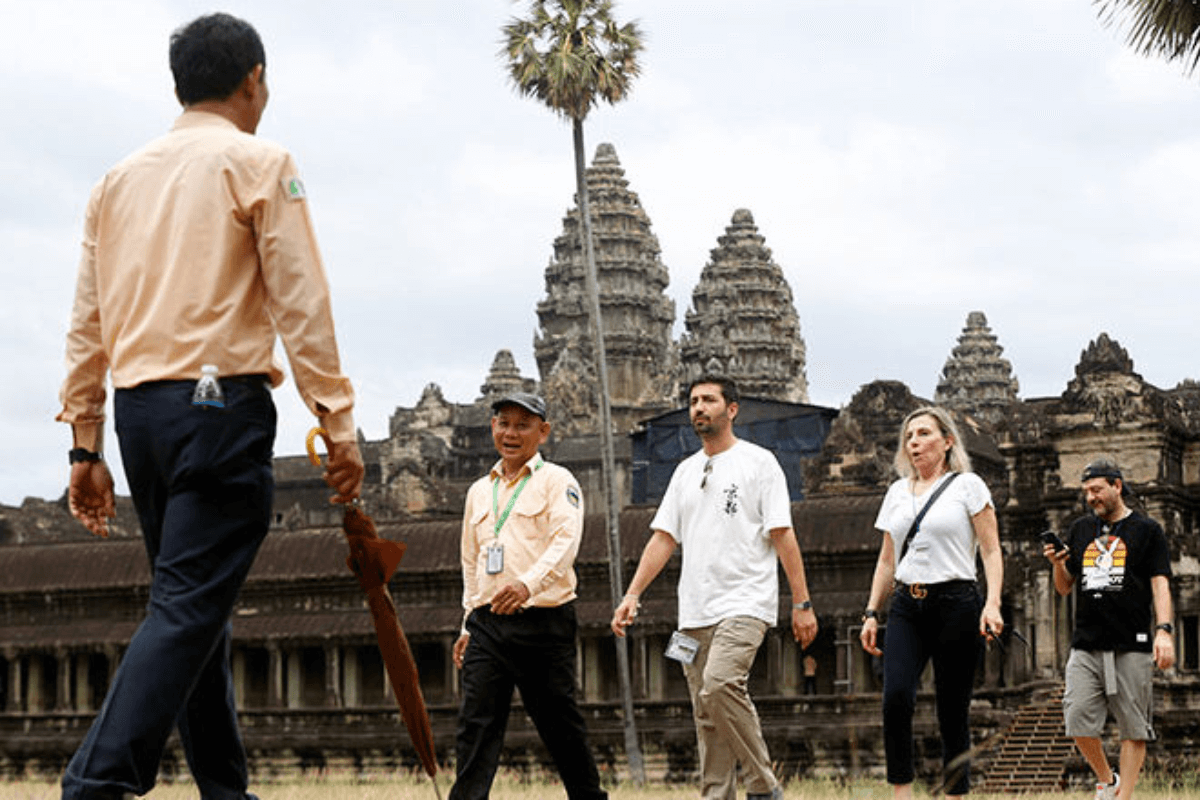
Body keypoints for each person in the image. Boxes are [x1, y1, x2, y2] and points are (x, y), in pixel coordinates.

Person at [56, 13, 364, 800]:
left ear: (178, 86)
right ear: (254, 78)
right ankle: (97, 781)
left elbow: (87, 320)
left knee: (192, 609)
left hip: (140, 416)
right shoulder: (259, 161)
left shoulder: (116, 180)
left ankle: (225, 790)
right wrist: (336, 420)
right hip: (219, 406)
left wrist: (85, 446)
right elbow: (301, 300)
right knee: (190, 607)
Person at [611, 374, 818, 800]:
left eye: (708, 400)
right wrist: (632, 594)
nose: (699, 408)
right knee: (707, 715)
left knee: (721, 685)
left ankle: (764, 785)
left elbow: (783, 533)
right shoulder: (685, 472)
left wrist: (802, 601)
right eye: (693, 401)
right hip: (694, 611)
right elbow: (663, 538)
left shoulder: (759, 463)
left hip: (745, 602)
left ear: (732, 409)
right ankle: (716, 795)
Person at [450, 392, 607, 800]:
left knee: (559, 723)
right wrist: (468, 622)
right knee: (475, 723)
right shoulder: (478, 493)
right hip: (488, 623)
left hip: (543, 620)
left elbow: (565, 543)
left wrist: (527, 585)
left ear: (544, 431)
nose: (511, 433)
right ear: (492, 428)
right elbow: (470, 562)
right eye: (504, 423)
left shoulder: (558, 481)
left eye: (523, 425)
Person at [858, 406, 1003, 800]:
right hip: (908, 603)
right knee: (896, 697)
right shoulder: (896, 493)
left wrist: (992, 604)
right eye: (909, 437)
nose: (914, 443)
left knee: (952, 708)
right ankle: (901, 792)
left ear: (947, 441)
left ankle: (956, 794)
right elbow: (887, 559)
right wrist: (872, 611)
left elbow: (990, 551)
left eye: (923, 434)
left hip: (956, 601)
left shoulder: (968, 486)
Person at [1043, 459, 1174, 800]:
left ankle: (1125, 795)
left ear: (1117, 486)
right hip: (1086, 641)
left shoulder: (1147, 531)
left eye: (1097, 489)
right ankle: (1107, 779)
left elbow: (1160, 584)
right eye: (1086, 491)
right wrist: (1058, 563)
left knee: (1134, 726)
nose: (1091, 497)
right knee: (1076, 717)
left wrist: (1164, 630)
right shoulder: (1080, 530)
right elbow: (1064, 586)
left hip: (1132, 641)